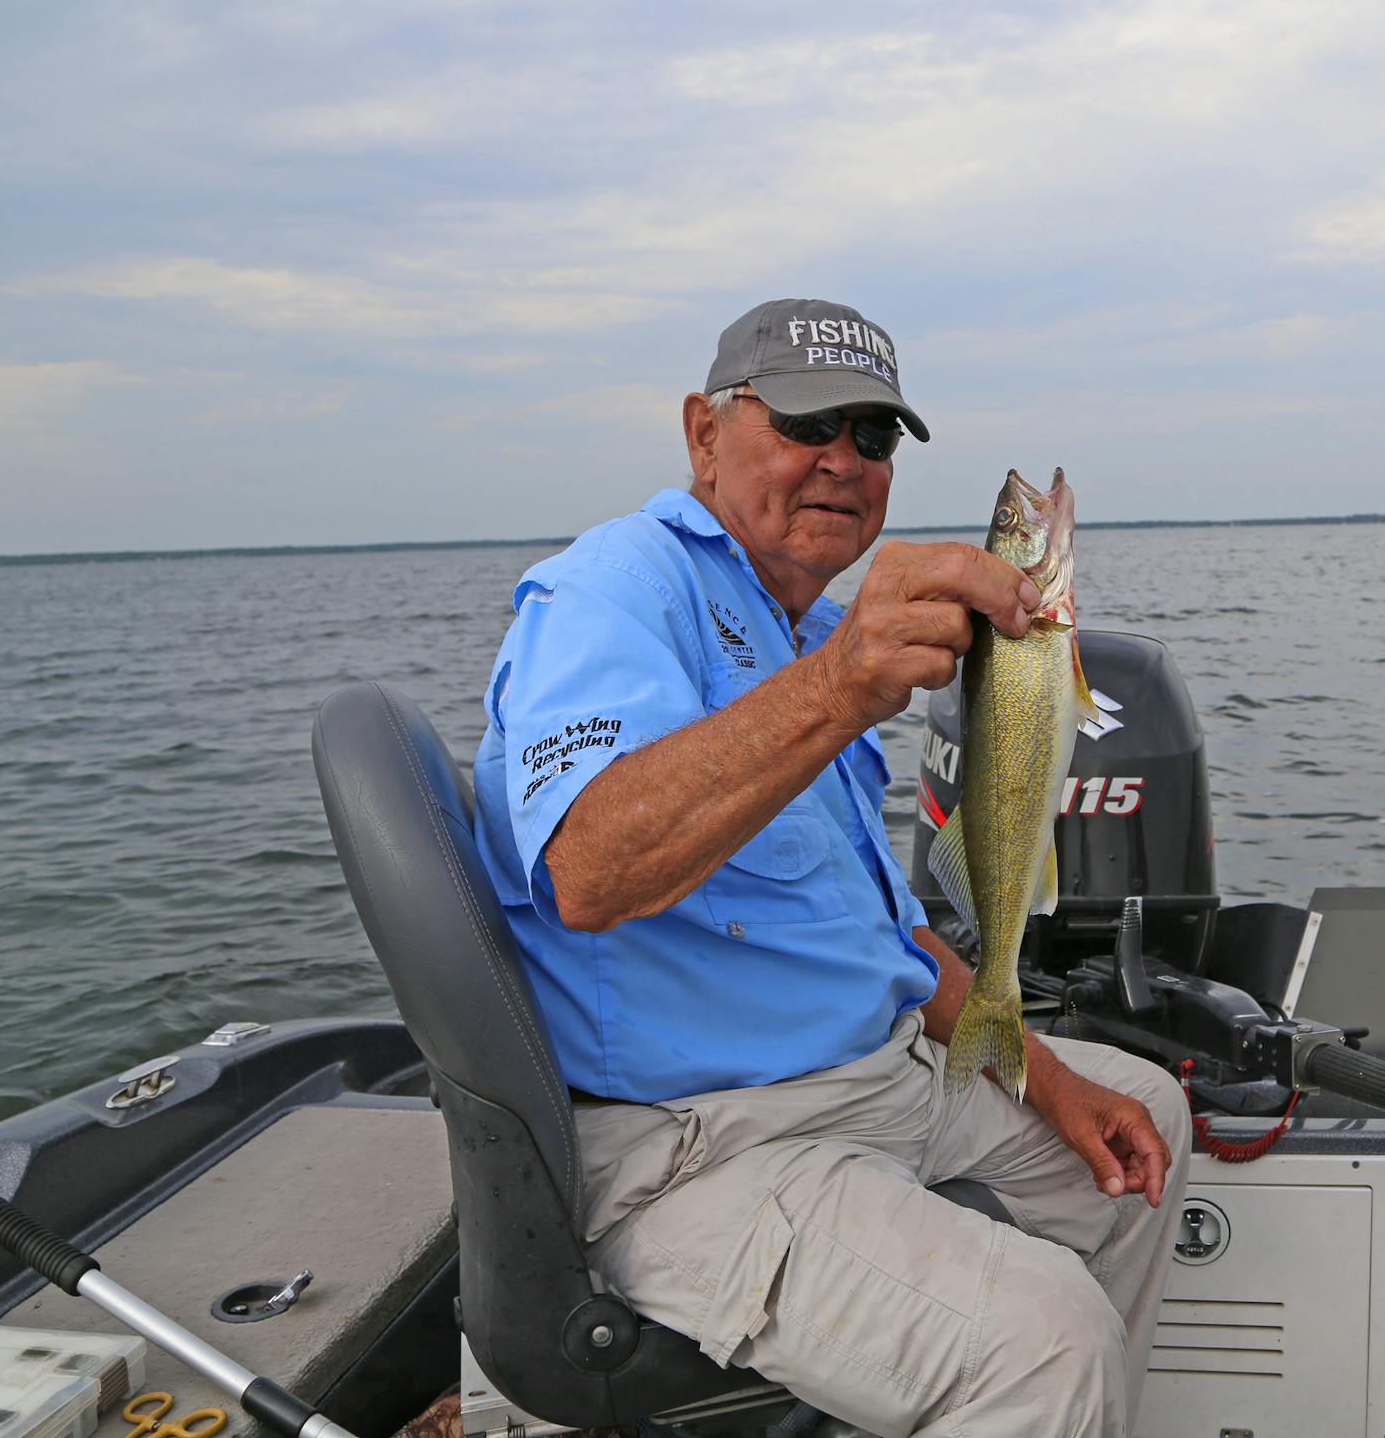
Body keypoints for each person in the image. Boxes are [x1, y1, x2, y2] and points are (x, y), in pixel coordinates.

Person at [472, 299, 1192, 1437]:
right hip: (702, 1146)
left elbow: (883, 936)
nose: (841, 462)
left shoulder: (802, 630)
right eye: (808, 423)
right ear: (704, 435)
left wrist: (1054, 1082)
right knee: (1045, 1339)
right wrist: (844, 685)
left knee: (1146, 1115)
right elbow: (590, 873)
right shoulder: (617, 589)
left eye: (873, 437)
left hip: (876, 1082)